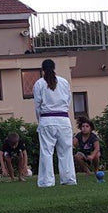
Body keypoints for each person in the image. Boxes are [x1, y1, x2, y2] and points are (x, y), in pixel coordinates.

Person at [33, 58, 77, 188]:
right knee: (66, 151)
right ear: (54, 68)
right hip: (63, 119)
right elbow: (68, 101)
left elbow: (37, 105)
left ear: (42, 69)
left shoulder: (39, 83)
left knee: (46, 152)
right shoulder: (64, 82)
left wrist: (39, 121)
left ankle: (47, 182)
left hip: (47, 119)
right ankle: (68, 179)